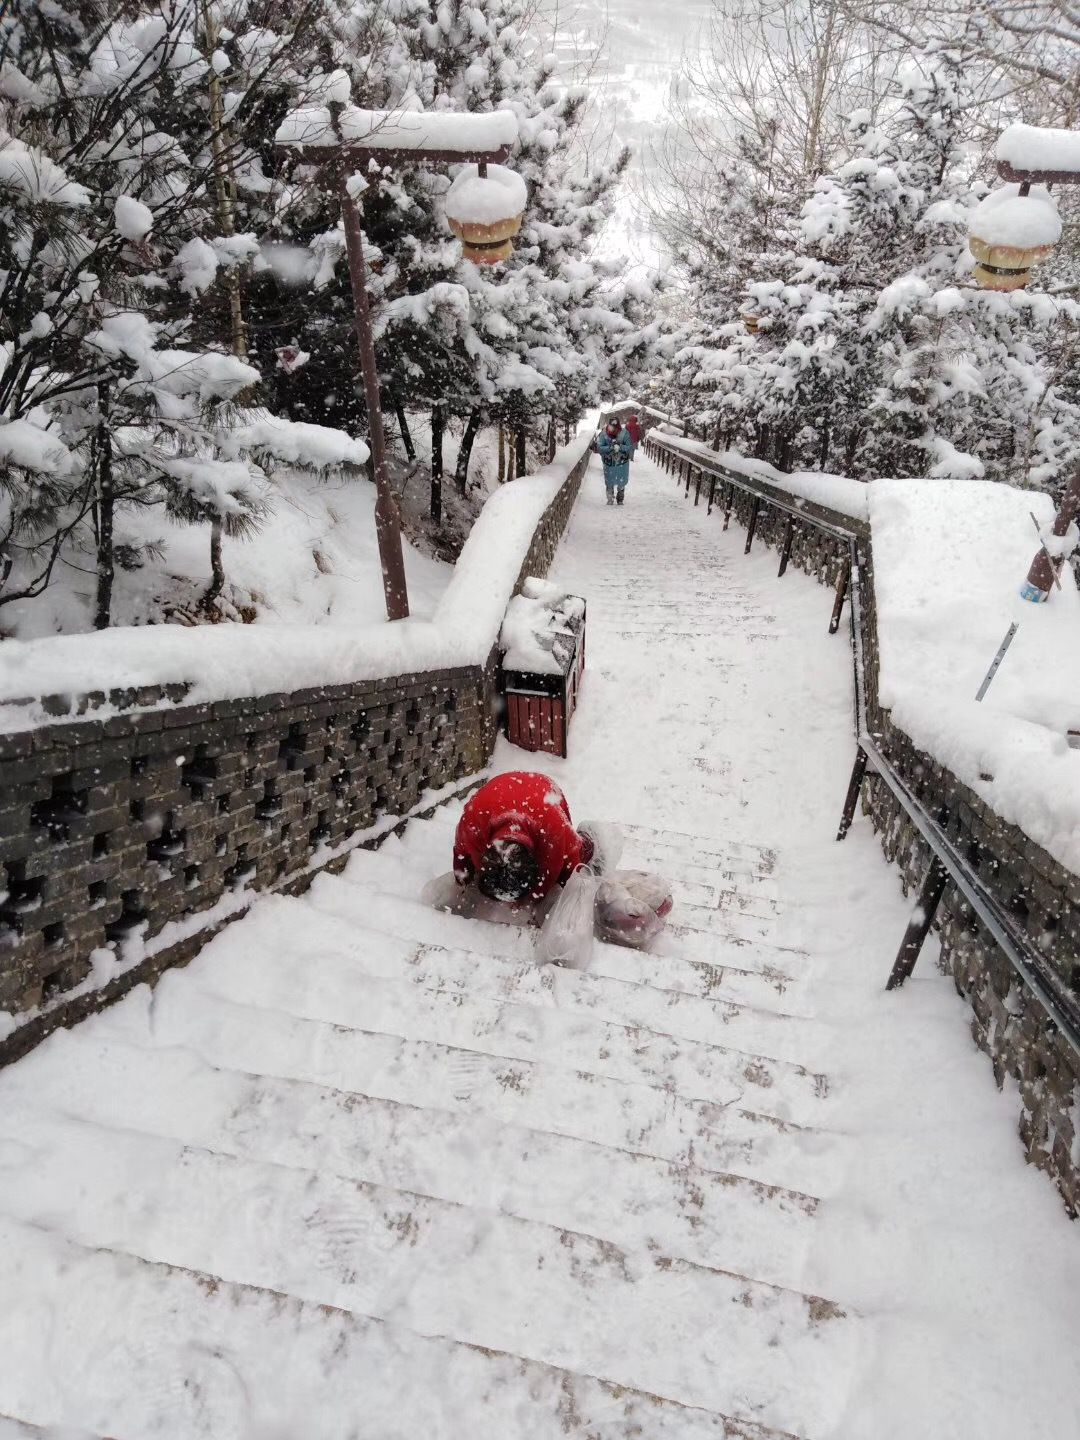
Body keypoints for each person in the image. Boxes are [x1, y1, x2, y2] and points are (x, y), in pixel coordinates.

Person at [453, 771, 594, 909]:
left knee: (570, 860)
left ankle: (590, 839)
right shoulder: (472, 824)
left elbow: (565, 865)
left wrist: (535, 898)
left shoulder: (554, 829)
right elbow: (461, 854)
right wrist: (462, 883)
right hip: (497, 791)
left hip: (545, 791)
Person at [597, 418, 633, 506]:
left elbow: (629, 446)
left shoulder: (624, 433)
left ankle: (620, 499)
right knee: (609, 481)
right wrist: (610, 447)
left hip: (622, 462)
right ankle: (610, 498)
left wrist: (620, 446)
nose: (612, 429)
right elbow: (600, 447)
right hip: (609, 462)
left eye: (615, 427)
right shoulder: (604, 434)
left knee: (621, 481)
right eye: (611, 426)